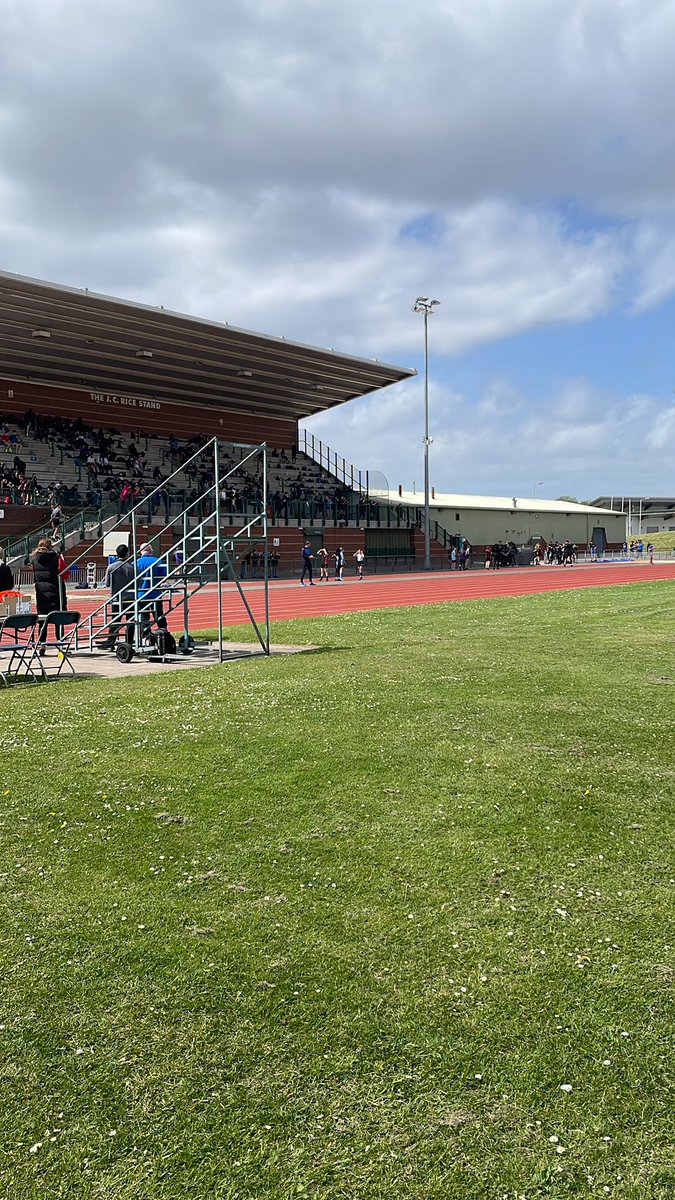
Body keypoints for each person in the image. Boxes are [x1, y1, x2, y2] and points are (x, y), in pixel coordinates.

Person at [30, 537, 69, 649]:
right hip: (56, 591)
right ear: (50, 547)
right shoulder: (56, 557)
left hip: (41, 593)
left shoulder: (34, 559)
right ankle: (60, 642)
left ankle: (42, 645)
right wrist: (61, 558)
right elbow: (65, 574)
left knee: (42, 620)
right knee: (58, 618)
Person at [102, 544, 135, 650]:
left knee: (115, 620)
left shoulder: (111, 567)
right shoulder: (132, 567)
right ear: (127, 553)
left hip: (116, 598)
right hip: (130, 598)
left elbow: (107, 584)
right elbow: (137, 582)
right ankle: (129, 641)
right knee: (130, 621)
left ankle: (111, 641)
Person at [136, 541, 167, 638]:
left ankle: (146, 636)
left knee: (144, 617)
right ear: (150, 550)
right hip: (155, 594)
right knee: (159, 615)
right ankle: (164, 633)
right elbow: (164, 577)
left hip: (141, 594)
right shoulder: (158, 561)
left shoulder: (135, 563)